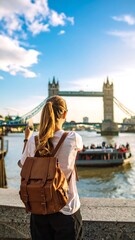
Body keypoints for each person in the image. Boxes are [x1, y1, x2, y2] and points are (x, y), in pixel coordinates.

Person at [18, 95, 83, 240]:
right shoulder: (73, 137)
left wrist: (26, 139)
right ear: (65, 114)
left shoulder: (33, 139)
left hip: (38, 209)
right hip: (66, 210)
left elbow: (23, 165)